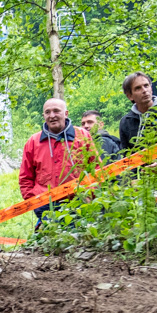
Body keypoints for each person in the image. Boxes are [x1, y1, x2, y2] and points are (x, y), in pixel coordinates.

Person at [19, 98, 91, 228]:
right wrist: (35, 203)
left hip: (78, 201)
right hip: (46, 205)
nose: (52, 116)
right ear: (43, 116)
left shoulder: (82, 136)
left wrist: (91, 195)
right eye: (48, 112)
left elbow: (95, 168)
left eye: (56, 111)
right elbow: (25, 177)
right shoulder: (33, 142)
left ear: (66, 113)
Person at [119, 72, 157, 151]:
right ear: (130, 96)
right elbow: (126, 155)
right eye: (138, 88)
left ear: (151, 89)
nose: (144, 90)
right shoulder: (126, 122)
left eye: (146, 86)